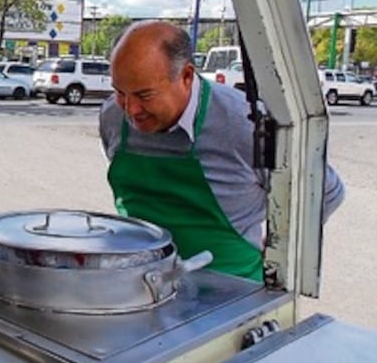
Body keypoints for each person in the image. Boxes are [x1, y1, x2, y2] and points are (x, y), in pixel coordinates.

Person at [99, 20, 345, 281]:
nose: (131, 110)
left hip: (231, 295)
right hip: (141, 286)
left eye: (144, 95)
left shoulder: (245, 124)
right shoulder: (113, 116)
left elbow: (326, 191)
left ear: (185, 76)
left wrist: (279, 246)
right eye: (120, 92)